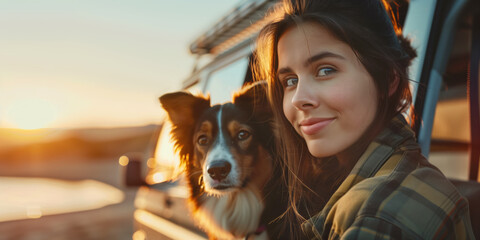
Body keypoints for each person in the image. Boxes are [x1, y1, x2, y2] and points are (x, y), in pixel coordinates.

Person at [254, 0, 475, 239]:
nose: (298, 99)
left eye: (325, 70)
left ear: (388, 79)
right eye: (290, 80)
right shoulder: (368, 180)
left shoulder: (381, 219)